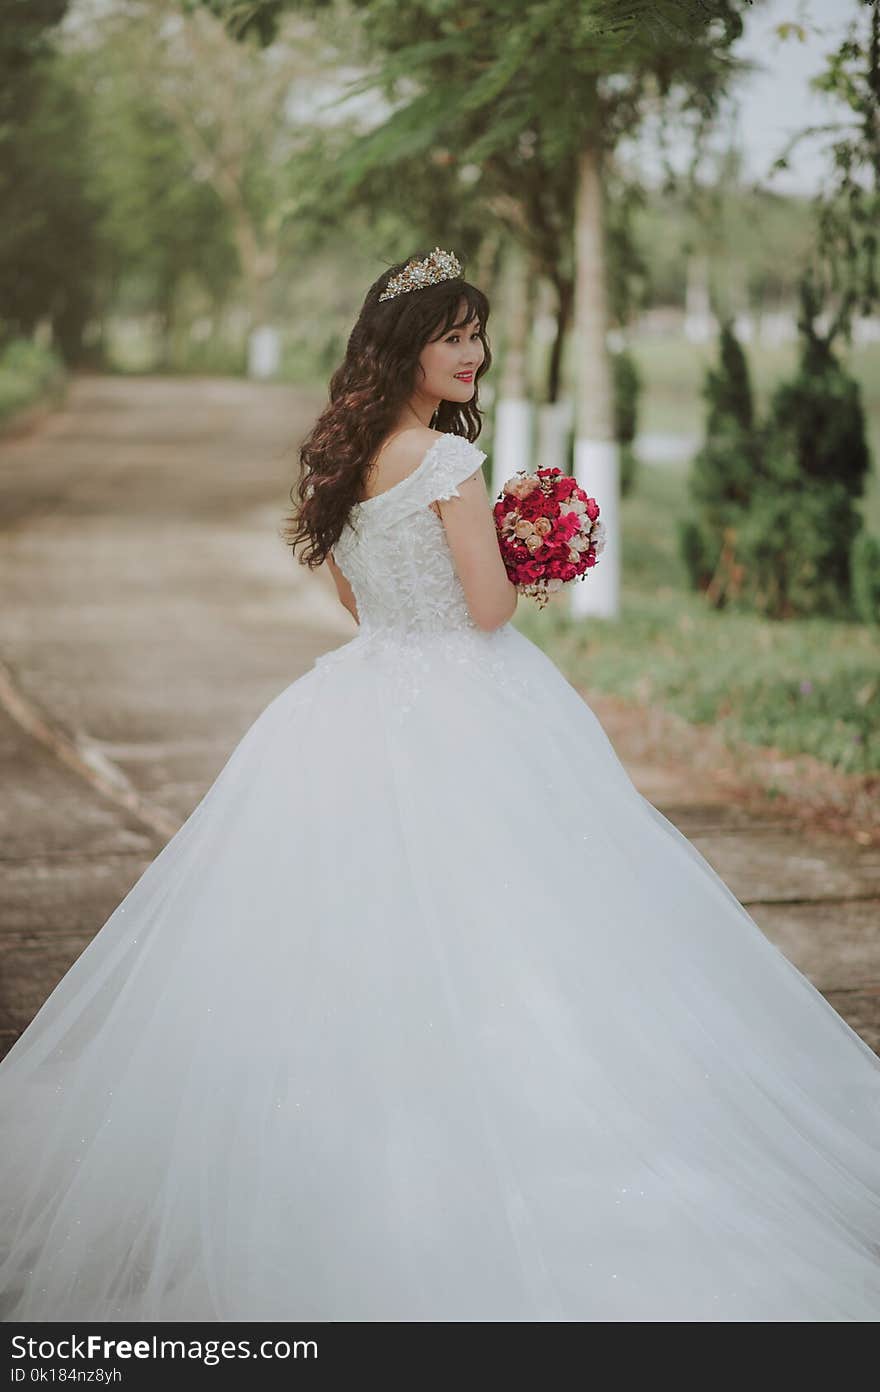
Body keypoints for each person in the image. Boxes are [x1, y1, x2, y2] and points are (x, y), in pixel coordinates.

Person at [1, 247, 878, 1324]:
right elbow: (490, 611)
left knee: (352, 938)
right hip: (471, 702)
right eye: (450, 333)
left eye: (475, 333)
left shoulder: (340, 453)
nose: (469, 353)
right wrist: (534, 558)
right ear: (403, 344)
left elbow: (359, 607)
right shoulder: (445, 465)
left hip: (359, 700)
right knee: (528, 925)